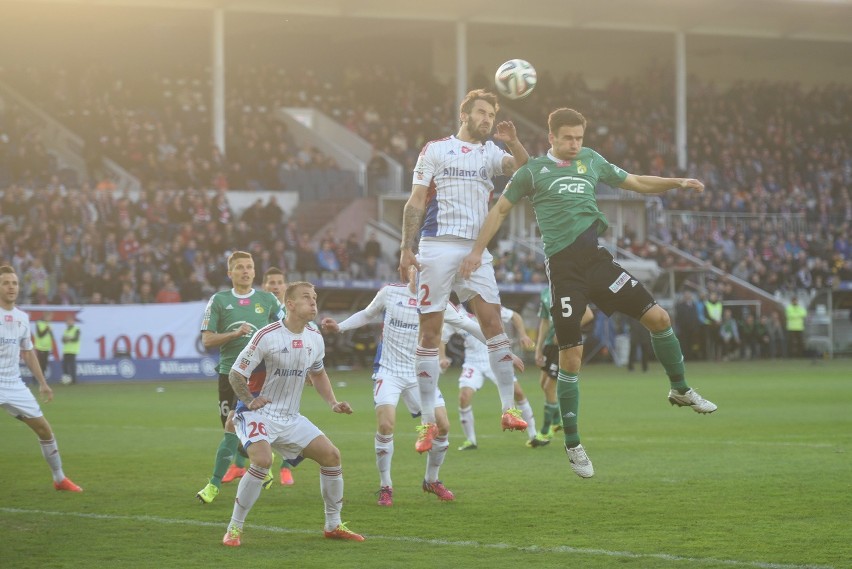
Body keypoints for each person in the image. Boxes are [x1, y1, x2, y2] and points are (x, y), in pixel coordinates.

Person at [460, 107, 717, 479]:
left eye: (579, 138)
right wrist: (476, 251)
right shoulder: (532, 172)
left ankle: (680, 389)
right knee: (572, 360)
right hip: (565, 274)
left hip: (598, 263)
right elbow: (500, 210)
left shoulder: (591, 161)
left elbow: (635, 182)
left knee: (659, 318)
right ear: (551, 137)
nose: (574, 144)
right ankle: (574, 443)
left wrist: (677, 182)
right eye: (567, 138)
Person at [397, 89, 531, 453]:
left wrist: (514, 141)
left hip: (476, 250)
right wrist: (406, 248)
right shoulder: (436, 150)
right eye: (482, 113)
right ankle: (427, 421)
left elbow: (525, 168)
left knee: (492, 324)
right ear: (465, 114)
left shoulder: (491, 153)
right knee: (430, 333)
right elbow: (416, 200)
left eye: (491, 114)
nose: (487, 120)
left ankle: (509, 409)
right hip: (437, 245)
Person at [321, 267, 500, 506]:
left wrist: (500, 348)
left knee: (443, 426)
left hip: (420, 375)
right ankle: (386, 486)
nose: (422, 274)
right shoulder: (389, 293)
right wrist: (340, 326)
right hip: (389, 371)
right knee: (386, 425)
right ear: (408, 271)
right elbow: (367, 314)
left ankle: (431, 480)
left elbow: (469, 326)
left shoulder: (438, 301)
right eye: (418, 269)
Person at [222, 281, 363, 546]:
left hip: (289, 417)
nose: (313, 303)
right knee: (262, 460)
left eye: (315, 298)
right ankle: (234, 528)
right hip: (256, 413)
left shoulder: (315, 337)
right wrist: (249, 400)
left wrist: (332, 402)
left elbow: (318, 372)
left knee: (331, 456)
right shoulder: (267, 335)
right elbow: (236, 373)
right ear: (290, 304)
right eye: (307, 298)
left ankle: (333, 525)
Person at [196, 252, 283, 504]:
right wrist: (234, 335)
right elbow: (207, 339)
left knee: (231, 424)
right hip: (227, 372)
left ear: (255, 272)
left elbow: (285, 326)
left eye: (249, 267)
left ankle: (212, 486)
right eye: (240, 268)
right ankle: (264, 460)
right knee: (234, 435)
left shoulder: (267, 300)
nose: (245, 271)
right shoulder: (219, 300)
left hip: (257, 374)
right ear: (230, 273)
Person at [0, 265, 82, 492]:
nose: (11, 287)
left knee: (45, 430)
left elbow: (27, 352)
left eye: (14, 283)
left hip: (13, 383)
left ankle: (59, 479)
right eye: (6, 283)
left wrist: (43, 383)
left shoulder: (22, 318)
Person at [440, 305, 546, 450]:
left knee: (518, 393)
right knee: (464, 397)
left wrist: (523, 334)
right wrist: (442, 357)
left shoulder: (489, 306)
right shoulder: (457, 313)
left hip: (496, 358)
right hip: (473, 362)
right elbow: (441, 337)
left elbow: (515, 316)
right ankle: (471, 441)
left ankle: (534, 436)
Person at [260, 267, 296, 486]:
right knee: (253, 417)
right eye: (271, 282)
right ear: (264, 286)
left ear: (285, 286)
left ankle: (285, 468)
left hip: (289, 375)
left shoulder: (293, 312)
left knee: (289, 419)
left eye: (279, 282)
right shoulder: (259, 311)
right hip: (262, 374)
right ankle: (258, 464)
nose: (275, 286)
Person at [60, 314, 81, 385]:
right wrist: (66, 339)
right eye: (67, 321)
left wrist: (68, 338)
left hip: (73, 350)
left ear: (73, 321)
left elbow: (76, 338)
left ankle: (74, 380)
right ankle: (67, 379)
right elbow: (62, 340)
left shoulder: (76, 329)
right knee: (65, 366)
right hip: (66, 350)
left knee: (72, 366)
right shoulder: (66, 330)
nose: (68, 322)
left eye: (69, 321)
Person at [34, 311, 54, 377]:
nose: (51, 318)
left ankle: (43, 380)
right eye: (50, 317)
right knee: (39, 364)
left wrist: (50, 331)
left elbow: (51, 337)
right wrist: (47, 328)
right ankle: (35, 379)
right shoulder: (39, 323)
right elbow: (40, 335)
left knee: (45, 365)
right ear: (46, 316)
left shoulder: (49, 324)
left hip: (47, 347)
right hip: (40, 347)